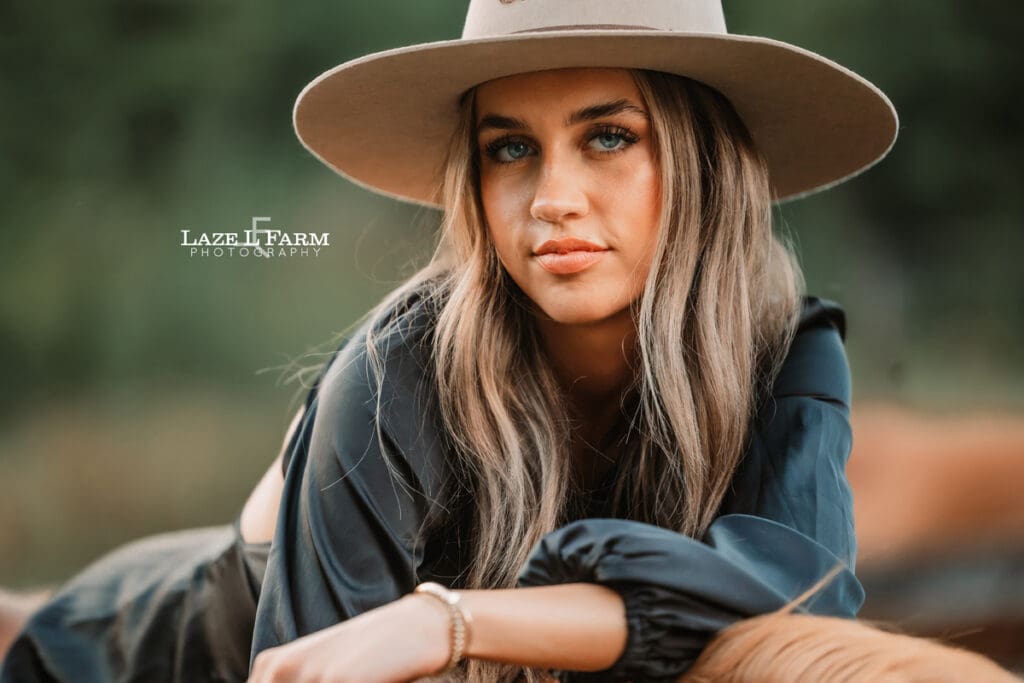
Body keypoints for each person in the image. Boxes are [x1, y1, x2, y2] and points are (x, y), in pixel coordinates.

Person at [1, 1, 900, 682]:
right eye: (510, 149)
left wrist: (446, 620)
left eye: (608, 136)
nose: (552, 198)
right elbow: (304, 667)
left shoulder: (784, 348)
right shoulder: (396, 375)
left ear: (705, 162)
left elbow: (801, 601)